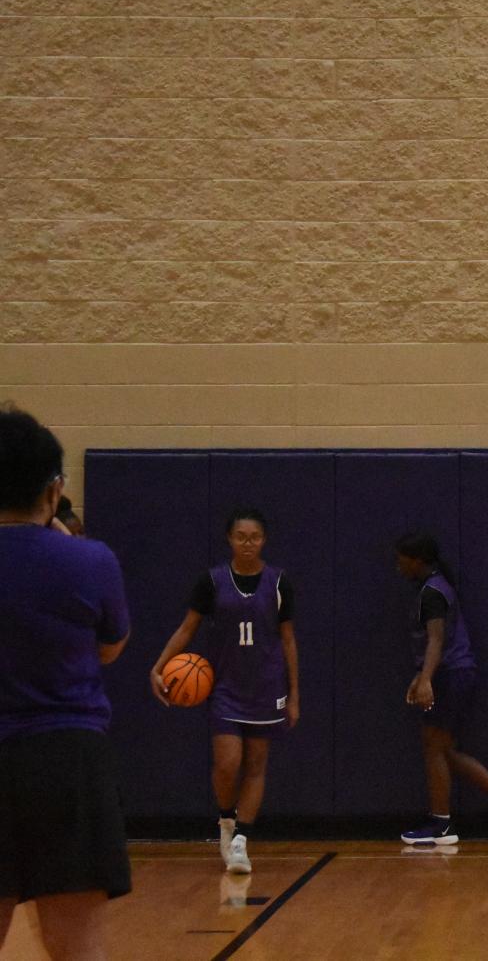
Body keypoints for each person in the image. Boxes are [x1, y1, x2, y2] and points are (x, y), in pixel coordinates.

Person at [1, 404, 131, 961]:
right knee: (78, 951)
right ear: (53, 491)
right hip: (66, 761)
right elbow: (110, 647)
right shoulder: (91, 561)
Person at [149, 508, 300, 875]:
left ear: (264, 540)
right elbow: (187, 629)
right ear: (230, 539)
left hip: (266, 685)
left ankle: (241, 842)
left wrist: (294, 693)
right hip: (226, 686)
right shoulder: (212, 582)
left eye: (255, 537)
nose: (248, 543)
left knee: (256, 765)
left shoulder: (279, 582)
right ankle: (226, 821)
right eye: (241, 536)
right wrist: (158, 665)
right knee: (228, 763)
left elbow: (288, 640)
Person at [395, 532, 488, 846]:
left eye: (401, 559)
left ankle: (441, 824)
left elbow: (437, 641)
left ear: (417, 560)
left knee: (433, 746)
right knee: (441, 747)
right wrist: (421, 676)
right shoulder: (436, 585)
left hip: (450, 676)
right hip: (453, 674)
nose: (398, 566)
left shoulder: (432, 593)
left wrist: (426, 678)